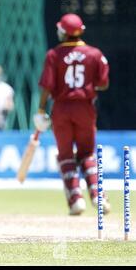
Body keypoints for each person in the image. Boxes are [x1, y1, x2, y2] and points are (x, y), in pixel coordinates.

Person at [34, 13, 112, 216]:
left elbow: (47, 87)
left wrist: (41, 110)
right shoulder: (95, 54)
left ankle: (76, 199)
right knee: (87, 152)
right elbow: (103, 84)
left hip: (61, 108)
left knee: (66, 155)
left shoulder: (54, 55)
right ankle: (97, 195)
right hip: (85, 107)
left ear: (62, 32)